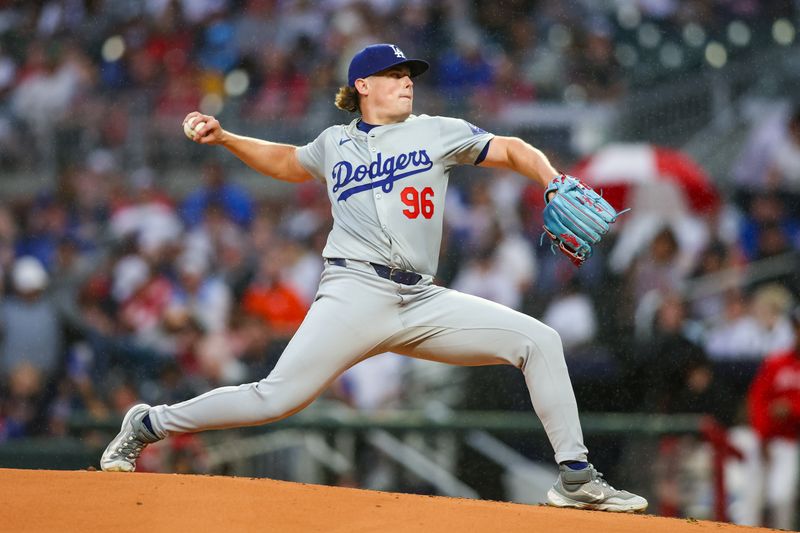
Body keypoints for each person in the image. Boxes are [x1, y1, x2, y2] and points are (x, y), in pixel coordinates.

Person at [100, 43, 647, 513]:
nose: (407, 83)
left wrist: (551, 178)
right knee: (274, 400)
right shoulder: (334, 143)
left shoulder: (438, 131)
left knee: (539, 340)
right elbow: (289, 161)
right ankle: (151, 423)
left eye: (410, 77)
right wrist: (227, 139)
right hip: (354, 292)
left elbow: (509, 148)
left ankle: (576, 477)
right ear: (362, 84)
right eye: (395, 76)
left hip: (422, 298)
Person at [740, 306, 800, 529]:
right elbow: (756, 401)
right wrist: (763, 436)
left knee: (781, 498)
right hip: (764, 439)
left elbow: (788, 408)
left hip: (790, 442)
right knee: (750, 499)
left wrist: (792, 408)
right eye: (797, 328)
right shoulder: (777, 362)